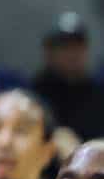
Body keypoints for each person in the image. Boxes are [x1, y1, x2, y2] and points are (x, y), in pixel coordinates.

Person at [33, 13, 104, 142]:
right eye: (64, 46)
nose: (72, 53)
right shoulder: (35, 95)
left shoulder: (98, 91)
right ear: (49, 52)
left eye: (77, 46)